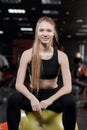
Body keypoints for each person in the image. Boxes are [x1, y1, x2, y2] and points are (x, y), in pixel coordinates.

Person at [7, 16, 76, 130]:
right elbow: (19, 84)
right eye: (41, 30)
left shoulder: (61, 56)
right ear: (36, 32)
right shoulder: (27, 54)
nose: (45, 34)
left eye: (49, 30)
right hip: (33, 94)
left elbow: (68, 87)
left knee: (70, 101)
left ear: (54, 33)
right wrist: (31, 98)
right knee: (13, 98)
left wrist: (50, 100)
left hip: (53, 97)